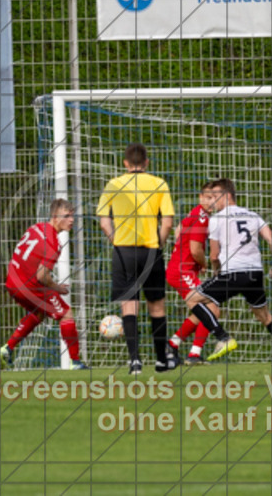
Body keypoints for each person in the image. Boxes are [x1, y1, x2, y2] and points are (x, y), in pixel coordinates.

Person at [186, 178, 272, 363]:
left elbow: (214, 256)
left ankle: (223, 338)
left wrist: (216, 272)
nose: (212, 201)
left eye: (216, 196)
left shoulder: (216, 219)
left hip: (232, 272)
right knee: (264, 316)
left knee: (192, 299)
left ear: (227, 195)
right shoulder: (253, 215)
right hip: (254, 273)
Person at [97, 143, 175, 375]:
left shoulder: (113, 184)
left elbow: (103, 221)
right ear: (147, 163)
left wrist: (116, 240)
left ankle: (135, 362)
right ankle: (161, 360)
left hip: (124, 251)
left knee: (129, 305)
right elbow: (168, 222)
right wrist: (158, 243)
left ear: (125, 163)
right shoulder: (159, 183)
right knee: (157, 306)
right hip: (150, 250)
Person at [0, 199, 88, 370]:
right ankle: (75, 362)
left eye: (72, 216)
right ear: (55, 216)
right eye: (67, 216)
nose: (71, 220)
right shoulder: (53, 243)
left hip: (12, 281)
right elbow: (42, 276)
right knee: (66, 314)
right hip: (29, 285)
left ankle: (7, 348)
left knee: (39, 313)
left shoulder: (35, 227)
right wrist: (57, 287)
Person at [166, 182, 220, 364]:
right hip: (183, 271)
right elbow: (196, 249)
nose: (213, 201)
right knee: (212, 307)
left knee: (202, 310)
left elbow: (179, 230)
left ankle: (172, 345)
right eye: (209, 198)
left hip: (180, 269)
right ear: (201, 198)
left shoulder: (195, 212)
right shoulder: (202, 217)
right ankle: (194, 354)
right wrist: (202, 264)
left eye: (216, 198)